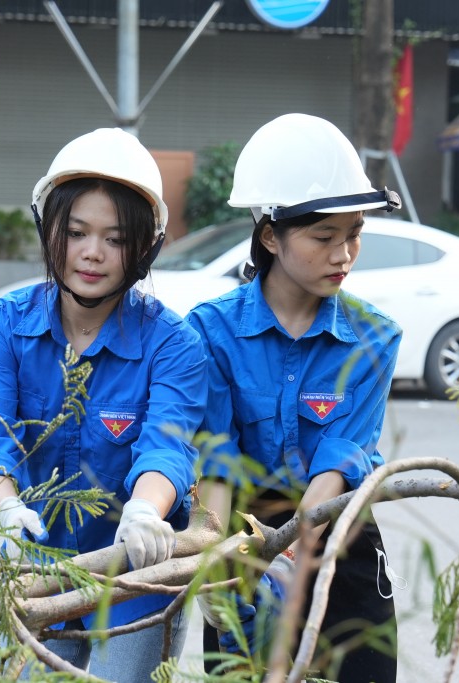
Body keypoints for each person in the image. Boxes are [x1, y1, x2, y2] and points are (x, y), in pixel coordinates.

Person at [0, 128, 208, 681]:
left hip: (138, 569)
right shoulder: (4, 325)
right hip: (36, 563)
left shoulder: (174, 343)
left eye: (115, 239)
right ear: (49, 231)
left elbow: (168, 446)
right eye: (76, 232)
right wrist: (4, 511)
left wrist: (145, 511)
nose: (92, 253)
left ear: (143, 247)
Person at [187, 113, 403, 682]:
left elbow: (343, 454)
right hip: (245, 543)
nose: (344, 254)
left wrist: (295, 551)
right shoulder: (211, 331)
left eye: (354, 232)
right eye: (324, 237)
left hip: (339, 531)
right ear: (269, 235)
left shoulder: (376, 336)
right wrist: (211, 549)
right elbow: (216, 457)